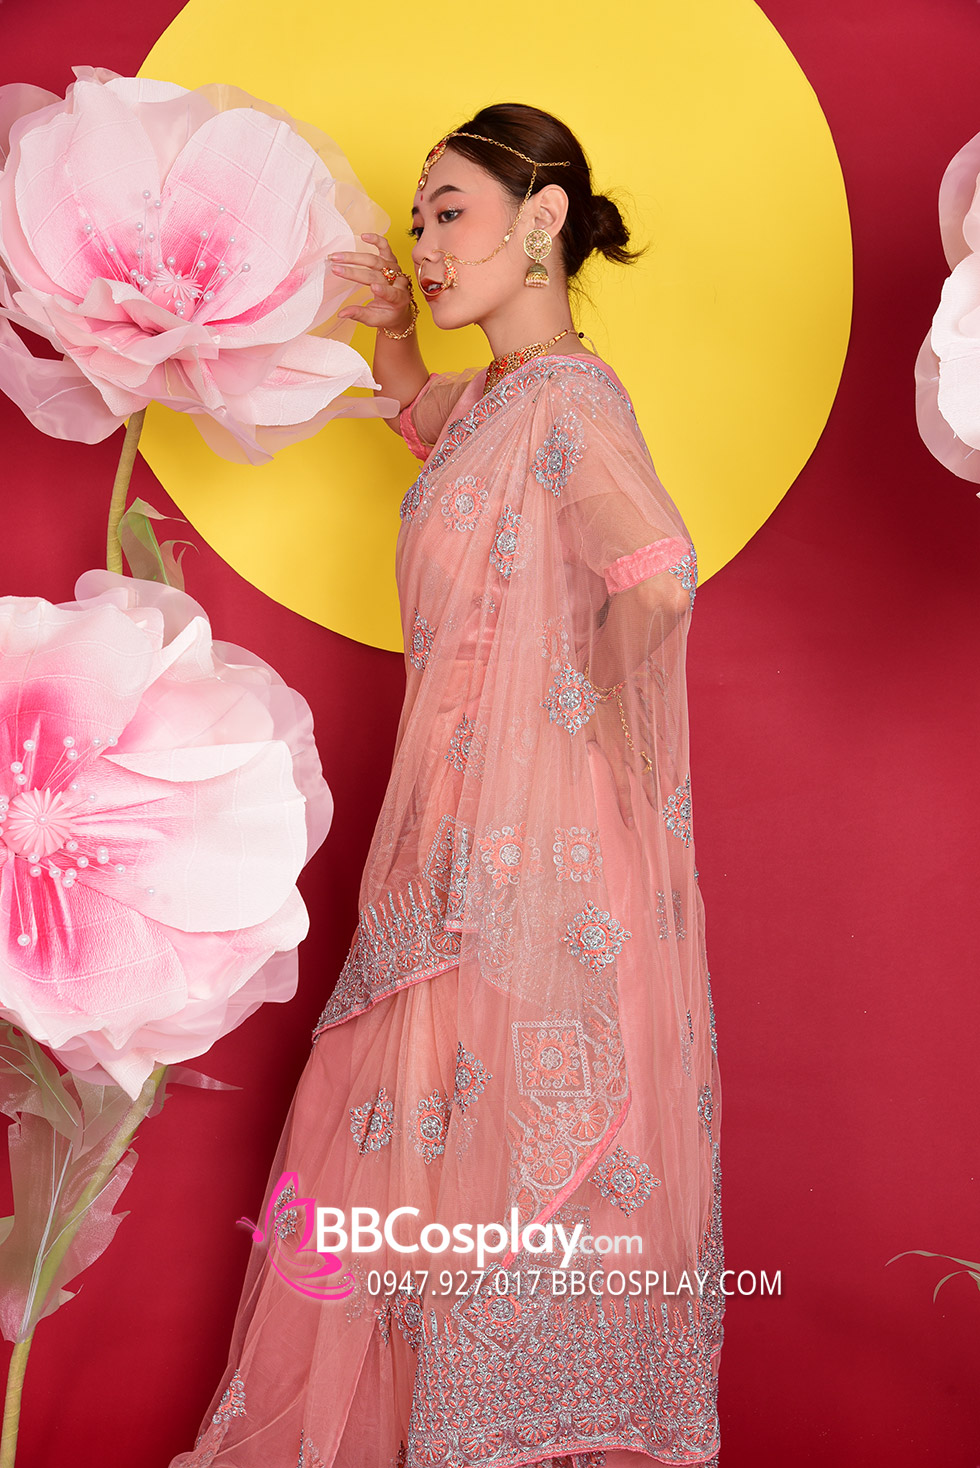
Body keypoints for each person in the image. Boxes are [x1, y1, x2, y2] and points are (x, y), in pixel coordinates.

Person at [173, 102, 723, 1468]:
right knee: (420, 1135)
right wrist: (389, 333)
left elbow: (655, 577)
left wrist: (581, 718)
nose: (423, 243)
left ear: (543, 220)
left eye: (449, 212)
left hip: (533, 844)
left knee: (493, 1144)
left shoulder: (571, 402)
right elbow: (427, 420)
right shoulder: (493, 403)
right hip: (452, 835)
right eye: (417, 219)